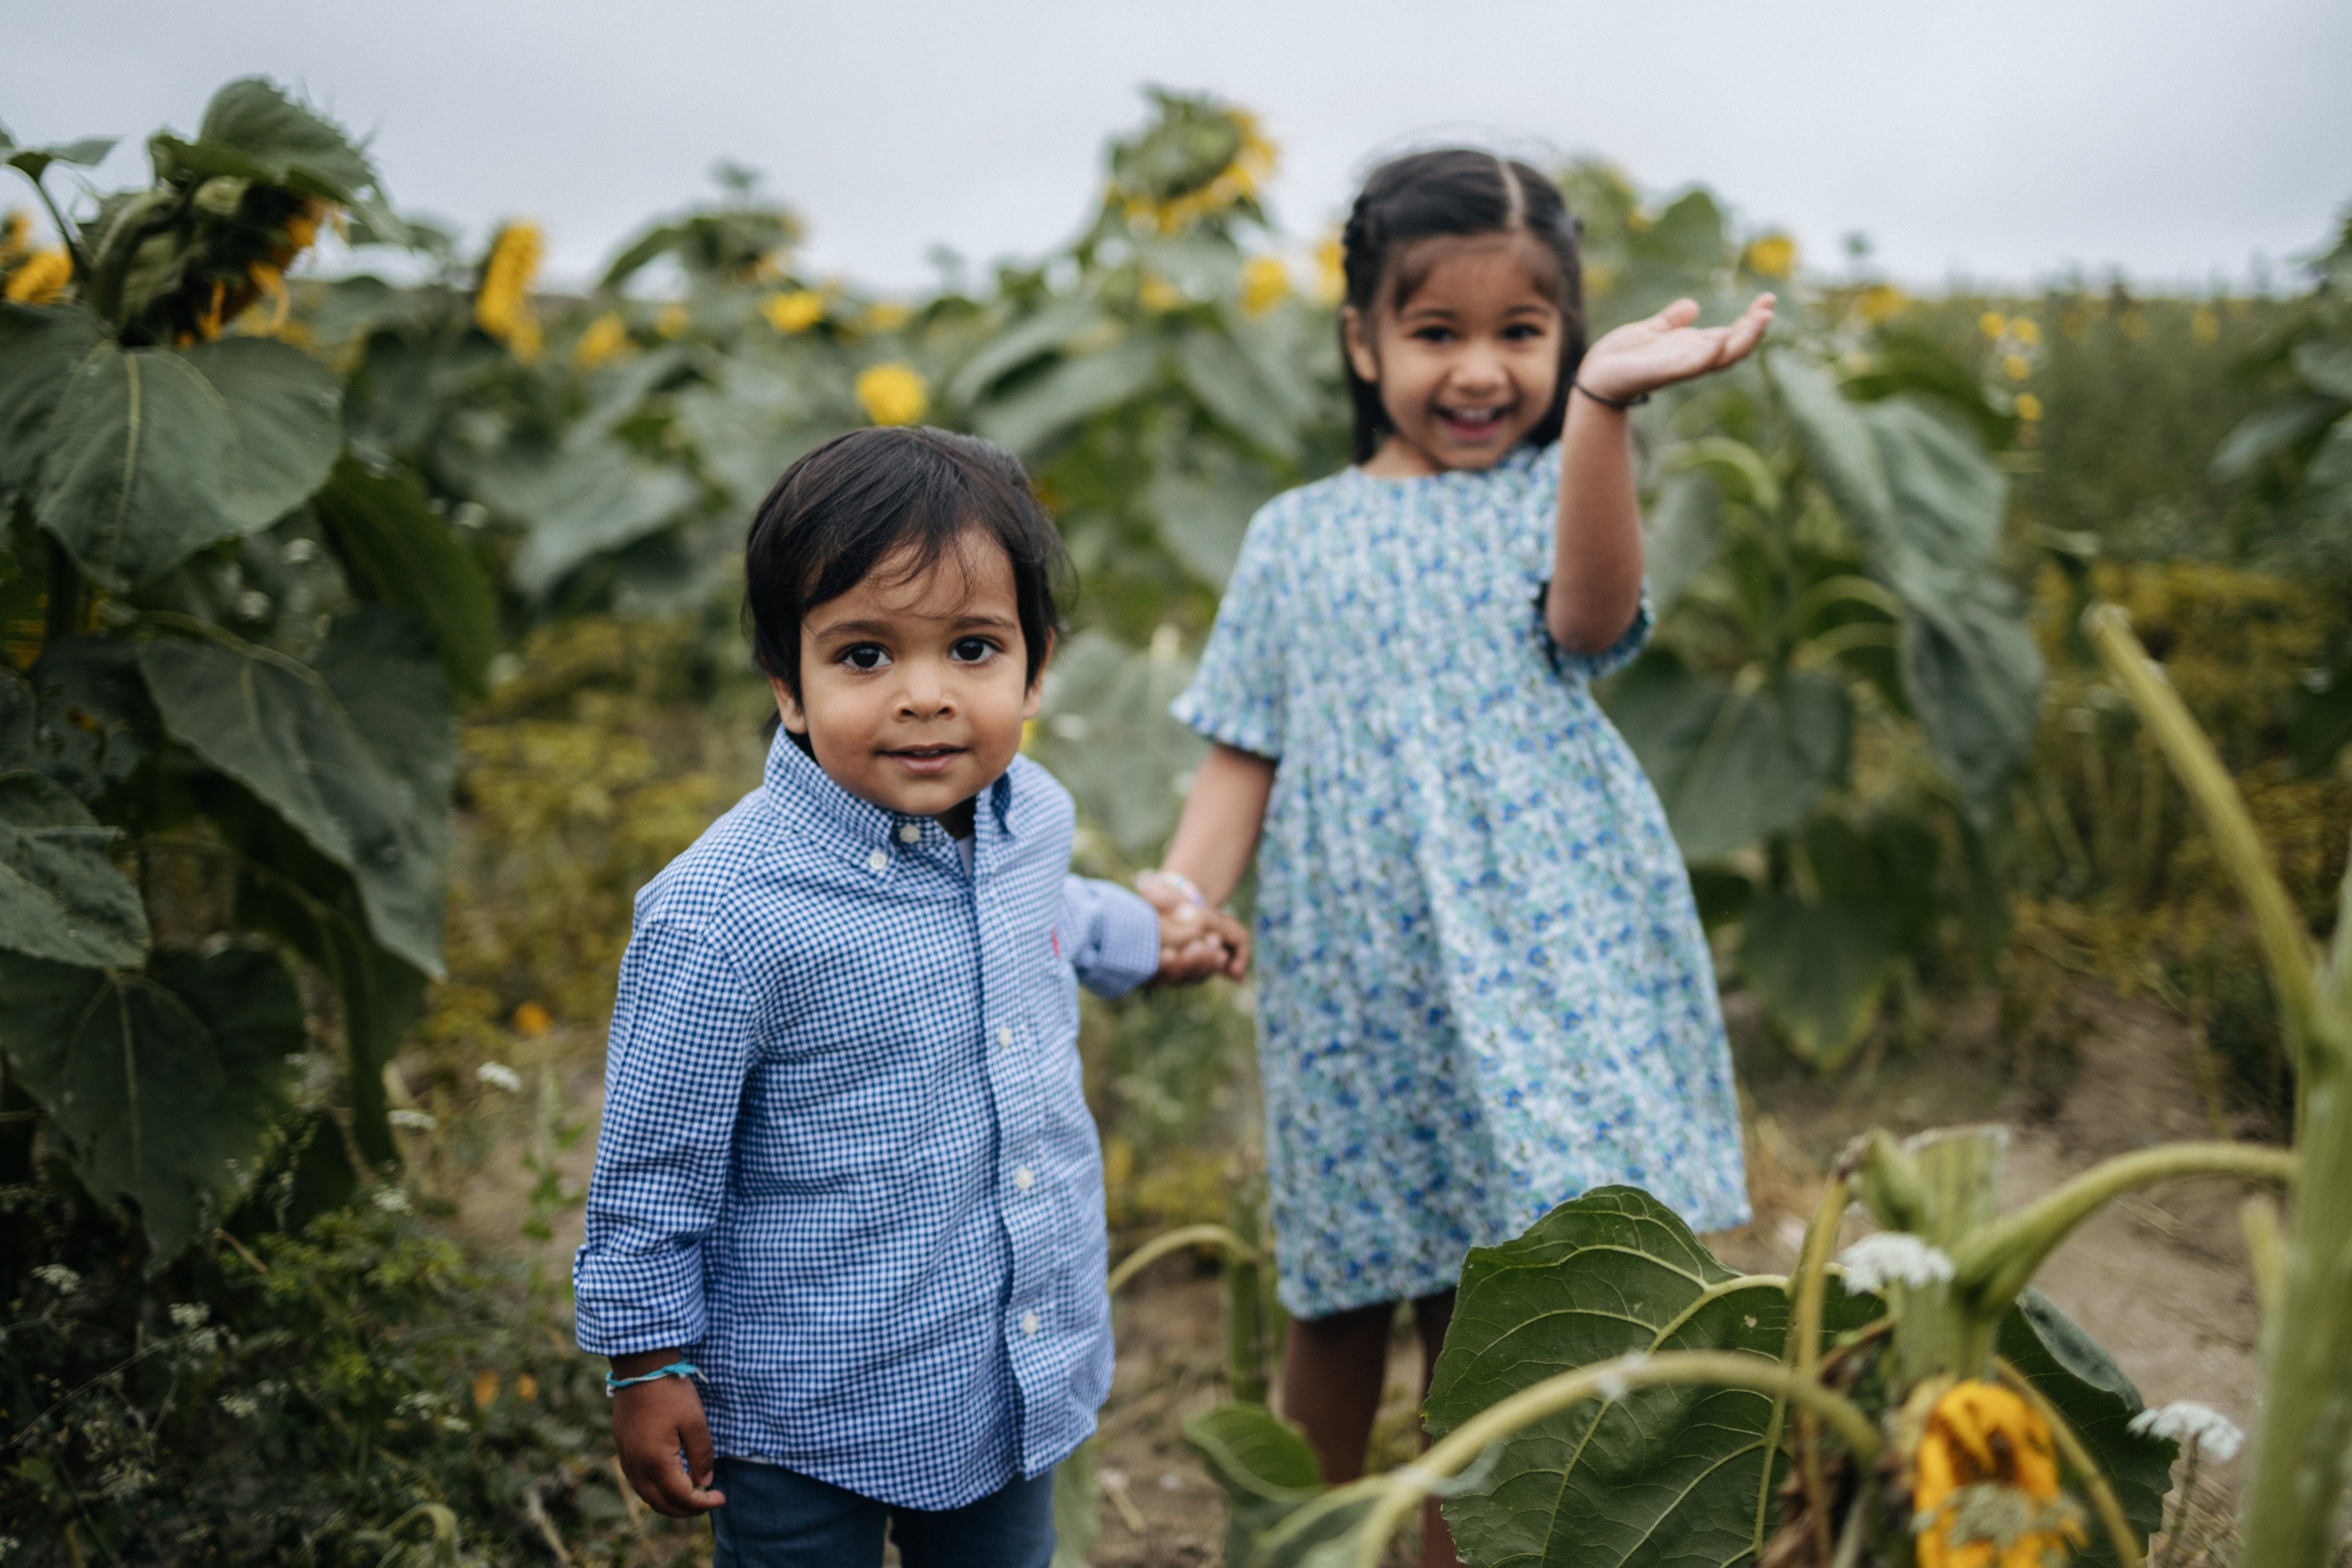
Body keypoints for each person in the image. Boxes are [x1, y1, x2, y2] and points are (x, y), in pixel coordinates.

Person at [1148, 149, 1774, 1565]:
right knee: (1337, 1297)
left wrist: (1607, 409)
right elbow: (1242, 753)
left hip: (1537, 963)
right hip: (1361, 981)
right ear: (1362, 341)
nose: (1479, 369)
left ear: (1564, 341)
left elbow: (1590, 613)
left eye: (1521, 333)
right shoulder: (1294, 538)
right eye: (1437, 332)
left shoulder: (1555, 494)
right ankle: (1296, 1542)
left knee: (1493, 1312)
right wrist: (1183, 896)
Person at [573, 426, 1246, 1568]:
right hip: (804, 1403)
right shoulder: (722, 912)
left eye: (972, 648)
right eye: (865, 657)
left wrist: (1150, 941)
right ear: (789, 684)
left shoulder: (1029, 814)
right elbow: (652, 1162)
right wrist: (646, 1359)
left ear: (1035, 672)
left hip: (1001, 1367)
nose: (925, 697)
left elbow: (1054, 916)